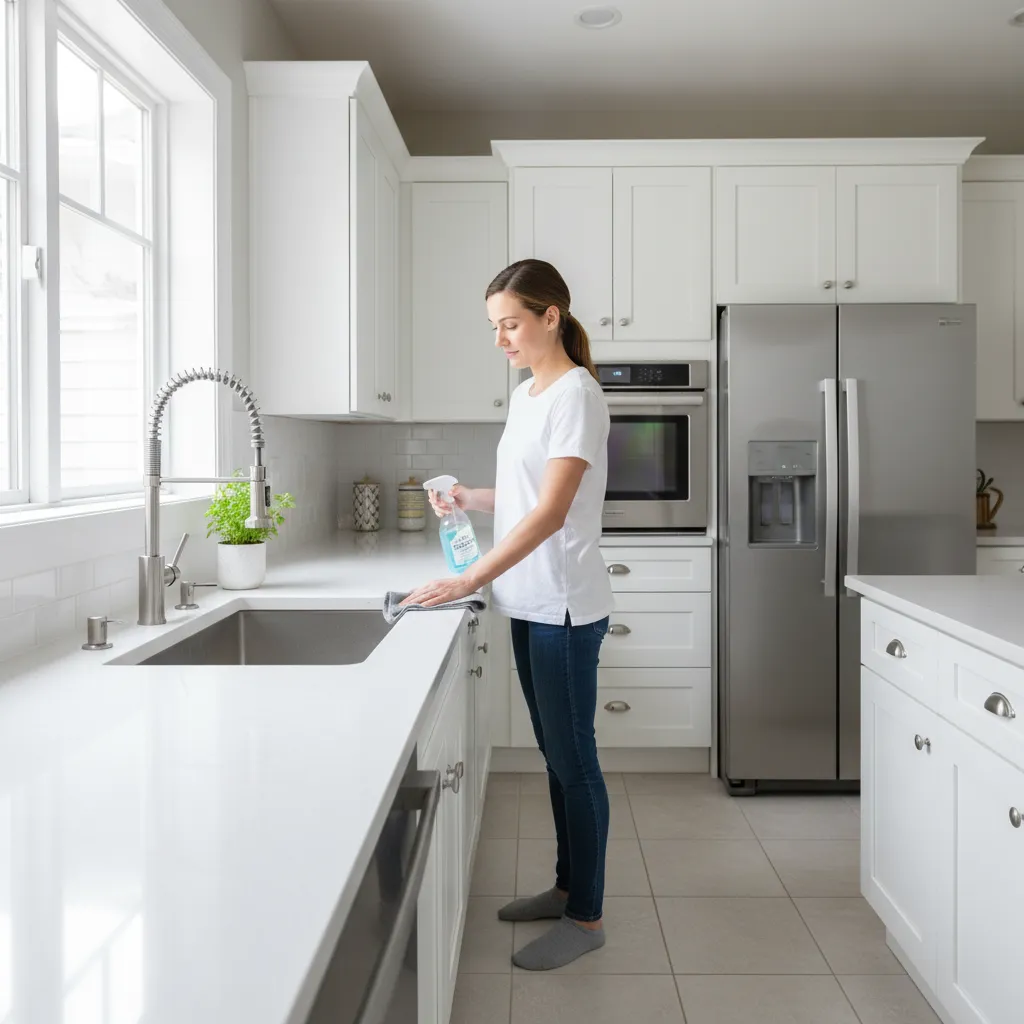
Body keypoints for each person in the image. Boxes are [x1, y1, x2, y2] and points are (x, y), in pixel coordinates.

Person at [401, 258, 613, 971]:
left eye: (511, 324)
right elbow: (526, 495)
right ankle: (566, 887)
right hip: (526, 599)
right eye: (494, 328)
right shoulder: (529, 395)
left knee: (574, 762)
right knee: (557, 758)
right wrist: (467, 496)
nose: (501, 340)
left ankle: (587, 918)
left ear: (551, 316)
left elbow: (553, 513)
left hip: (563, 606)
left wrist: (467, 578)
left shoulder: (576, 395)